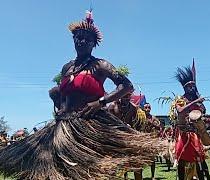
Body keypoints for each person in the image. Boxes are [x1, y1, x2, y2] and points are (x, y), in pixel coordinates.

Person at [0, 10, 161, 179]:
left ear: (94, 44)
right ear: (73, 40)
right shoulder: (67, 67)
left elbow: (126, 86)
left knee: (88, 172)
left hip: (90, 123)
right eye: (78, 37)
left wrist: (100, 102)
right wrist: (59, 105)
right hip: (64, 124)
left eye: (87, 38)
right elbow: (62, 94)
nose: (81, 40)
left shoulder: (100, 65)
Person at [172, 65, 210, 180]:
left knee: (200, 162)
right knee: (182, 162)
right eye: (189, 86)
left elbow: (203, 112)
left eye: (193, 86)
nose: (192, 88)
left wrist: (206, 122)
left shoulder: (198, 102)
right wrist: (196, 101)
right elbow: (180, 111)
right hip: (184, 136)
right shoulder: (180, 100)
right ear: (184, 88)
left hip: (196, 135)